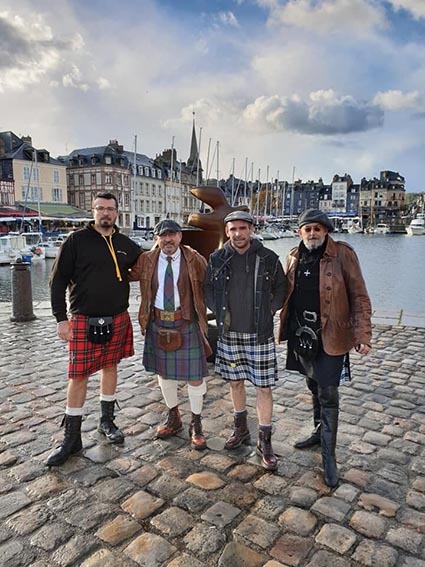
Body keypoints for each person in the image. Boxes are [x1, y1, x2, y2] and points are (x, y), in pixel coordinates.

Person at [47, 192, 142, 466]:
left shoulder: (126, 244)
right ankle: (72, 438)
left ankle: (106, 421)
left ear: (116, 213)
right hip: (82, 318)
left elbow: (146, 264)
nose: (105, 213)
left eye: (110, 209)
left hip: (117, 317)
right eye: (100, 208)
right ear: (93, 212)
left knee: (110, 368)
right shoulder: (75, 241)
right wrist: (60, 319)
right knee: (78, 376)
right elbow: (57, 281)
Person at [278, 209, 372, 487]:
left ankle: (329, 456)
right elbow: (284, 292)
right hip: (302, 334)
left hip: (332, 333)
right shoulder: (293, 256)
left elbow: (360, 295)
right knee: (311, 383)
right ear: (300, 232)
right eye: (307, 229)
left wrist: (363, 334)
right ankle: (319, 432)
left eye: (318, 229)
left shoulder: (343, 254)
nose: (312, 233)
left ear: (327, 231)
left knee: (328, 392)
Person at [205, 211, 287, 470]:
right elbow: (207, 288)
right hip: (229, 333)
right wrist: (218, 310)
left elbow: (282, 288)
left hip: (259, 333)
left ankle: (265, 441)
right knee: (235, 382)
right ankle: (241, 430)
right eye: (233, 229)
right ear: (227, 231)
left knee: (263, 387)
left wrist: (271, 309)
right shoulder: (217, 258)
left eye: (243, 228)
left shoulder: (268, 257)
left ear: (251, 229)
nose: (238, 233)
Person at [131, 219, 210, 450]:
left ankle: (196, 423)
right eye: (163, 235)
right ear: (156, 238)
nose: (168, 239)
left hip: (186, 321)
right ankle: (173, 417)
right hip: (157, 322)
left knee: (195, 377)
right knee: (164, 374)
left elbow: (211, 283)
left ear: (180, 236)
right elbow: (121, 274)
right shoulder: (146, 260)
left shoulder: (194, 259)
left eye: (172, 234)